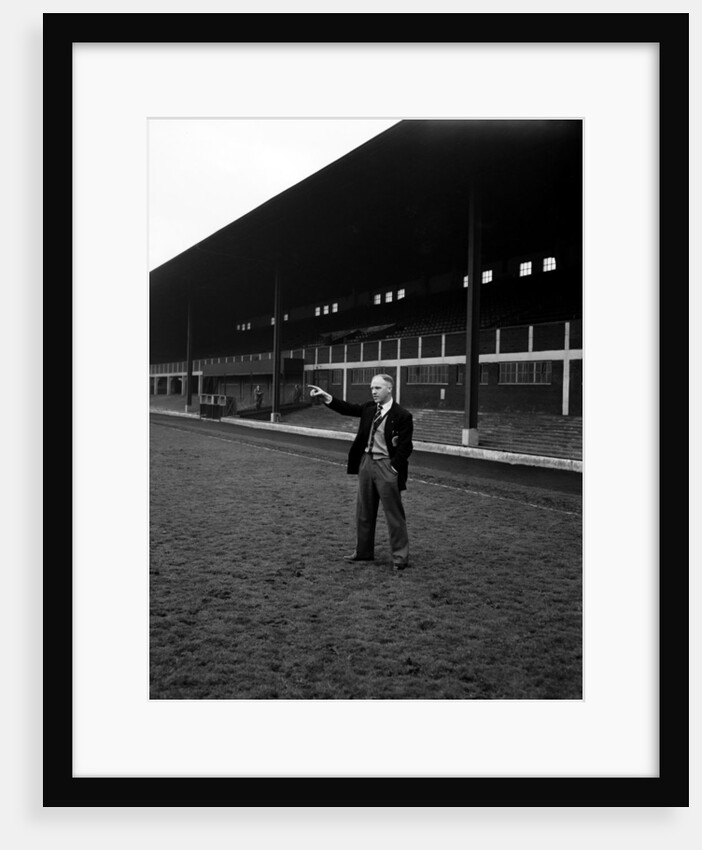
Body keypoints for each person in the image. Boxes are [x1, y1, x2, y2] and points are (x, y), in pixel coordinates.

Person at [308, 374, 413, 571]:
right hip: (366, 463)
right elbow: (348, 408)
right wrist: (326, 397)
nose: (373, 391)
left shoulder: (402, 415)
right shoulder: (368, 408)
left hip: (386, 466)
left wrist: (393, 468)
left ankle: (400, 557)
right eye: (372, 388)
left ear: (389, 389)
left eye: (378, 388)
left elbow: (406, 447)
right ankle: (364, 552)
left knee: (394, 514)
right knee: (364, 511)